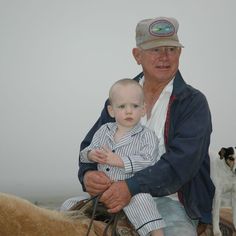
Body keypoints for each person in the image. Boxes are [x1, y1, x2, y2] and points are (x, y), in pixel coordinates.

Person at [72, 16, 215, 236]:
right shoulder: (120, 96)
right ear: (137, 55)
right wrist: (89, 175)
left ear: (180, 54)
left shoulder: (193, 103)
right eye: (155, 50)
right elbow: (93, 144)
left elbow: (182, 163)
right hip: (112, 194)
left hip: (169, 201)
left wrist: (132, 187)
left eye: (171, 49)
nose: (164, 57)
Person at [80, 78, 165, 236]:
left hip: (131, 193)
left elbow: (149, 161)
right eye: (122, 106)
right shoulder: (104, 130)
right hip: (102, 192)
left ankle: (157, 233)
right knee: (70, 205)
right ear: (111, 111)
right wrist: (91, 155)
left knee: (144, 202)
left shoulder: (147, 136)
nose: (128, 111)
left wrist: (120, 161)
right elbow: (85, 152)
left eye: (134, 106)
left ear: (143, 109)